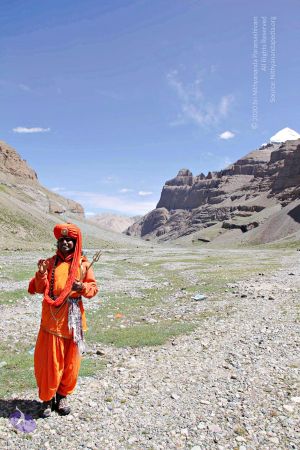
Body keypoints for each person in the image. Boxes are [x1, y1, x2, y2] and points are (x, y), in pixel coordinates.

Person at [28, 223, 98, 418]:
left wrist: (81, 287)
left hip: (74, 321)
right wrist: (41, 273)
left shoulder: (83, 265)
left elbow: (93, 289)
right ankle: (47, 400)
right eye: (62, 240)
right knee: (49, 363)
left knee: (70, 363)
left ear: (76, 243)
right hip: (51, 321)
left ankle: (62, 396)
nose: (66, 242)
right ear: (57, 243)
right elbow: (36, 288)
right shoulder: (49, 263)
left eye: (70, 240)